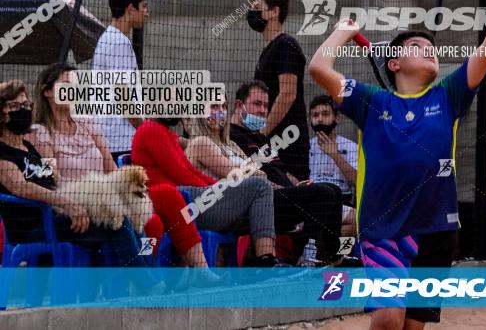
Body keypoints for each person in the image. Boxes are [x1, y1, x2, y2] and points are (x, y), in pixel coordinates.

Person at [309, 0, 486, 330]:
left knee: (411, 326)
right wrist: (342, 31)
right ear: (395, 63)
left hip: (436, 229)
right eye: (418, 47)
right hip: (384, 227)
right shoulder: (372, 101)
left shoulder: (448, 95)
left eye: (432, 49)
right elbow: (319, 67)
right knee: (389, 317)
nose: (430, 52)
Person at [28, 62, 214, 270]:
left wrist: (127, 194)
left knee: (164, 200)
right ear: (47, 92)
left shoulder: (87, 123)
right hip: (77, 201)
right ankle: (143, 277)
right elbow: (53, 181)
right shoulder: (41, 132)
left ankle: (195, 270)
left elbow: (112, 168)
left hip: (109, 194)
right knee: (142, 220)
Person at [0, 80, 157, 285]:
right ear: (2, 113)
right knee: (116, 220)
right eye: (15, 106)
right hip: (37, 225)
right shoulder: (3, 152)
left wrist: (86, 194)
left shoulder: (29, 147)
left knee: (130, 213)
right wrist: (66, 203)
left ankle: (151, 274)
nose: (24, 110)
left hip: (59, 216)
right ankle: (145, 283)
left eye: (26, 105)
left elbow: (55, 178)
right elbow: (19, 186)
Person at [131, 115, 288, 267]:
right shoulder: (150, 129)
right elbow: (180, 175)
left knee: (260, 196)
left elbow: (191, 171)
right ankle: (265, 261)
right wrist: (214, 191)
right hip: (180, 201)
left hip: (185, 199)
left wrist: (216, 187)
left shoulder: (166, 133)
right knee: (261, 187)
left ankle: (254, 262)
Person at [228, 81, 343, 265]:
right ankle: (303, 255)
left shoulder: (261, 137)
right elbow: (248, 178)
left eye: (266, 105)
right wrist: (283, 188)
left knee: (335, 191)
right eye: (257, 104)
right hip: (262, 200)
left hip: (285, 195)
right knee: (324, 194)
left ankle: (337, 256)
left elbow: (281, 170)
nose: (262, 110)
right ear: (239, 105)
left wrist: (297, 185)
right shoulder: (232, 136)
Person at [248, 0, 311, 181]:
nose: (252, 13)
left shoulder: (286, 45)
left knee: (294, 195)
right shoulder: (268, 50)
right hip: (271, 143)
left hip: (288, 141)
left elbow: (288, 94)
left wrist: (264, 132)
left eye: (257, 7)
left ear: (274, 12)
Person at [92, 0, 149, 162]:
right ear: (130, 8)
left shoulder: (110, 38)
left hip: (113, 139)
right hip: (120, 141)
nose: (146, 13)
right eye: (144, 6)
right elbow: (123, 95)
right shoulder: (118, 42)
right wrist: (144, 129)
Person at [308, 95, 357, 237]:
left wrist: (335, 155)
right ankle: (316, 252)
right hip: (313, 203)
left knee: (358, 220)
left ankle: (340, 255)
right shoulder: (307, 146)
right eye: (315, 115)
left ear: (337, 118)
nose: (320, 119)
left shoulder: (350, 146)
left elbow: (357, 181)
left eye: (325, 114)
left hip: (342, 203)